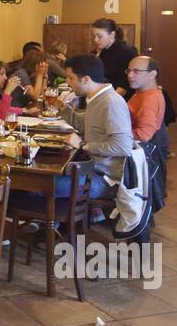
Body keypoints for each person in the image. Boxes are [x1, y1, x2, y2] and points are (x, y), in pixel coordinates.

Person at [54, 55, 147, 237]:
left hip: (104, 179)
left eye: (71, 77)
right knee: (46, 182)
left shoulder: (110, 102)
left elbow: (122, 147)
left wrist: (83, 144)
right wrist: (64, 110)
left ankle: (47, 223)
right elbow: (86, 125)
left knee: (45, 185)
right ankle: (51, 222)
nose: (68, 82)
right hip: (92, 170)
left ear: (86, 79)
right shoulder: (96, 98)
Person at [92, 18, 137, 98]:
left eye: (99, 36)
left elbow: (123, 88)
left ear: (112, 35)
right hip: (104, 95)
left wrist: (105, 102)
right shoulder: (101, 51)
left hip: (119, 99)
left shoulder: (126, 52)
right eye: (94, 36)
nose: (95, 40)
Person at [125, 56, 166, 143]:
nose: (130, 75)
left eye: (136, 71)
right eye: (129, 71)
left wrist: (116, 135)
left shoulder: (149, 100)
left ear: (152, 74)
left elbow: (144, 135)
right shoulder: (144, 93)